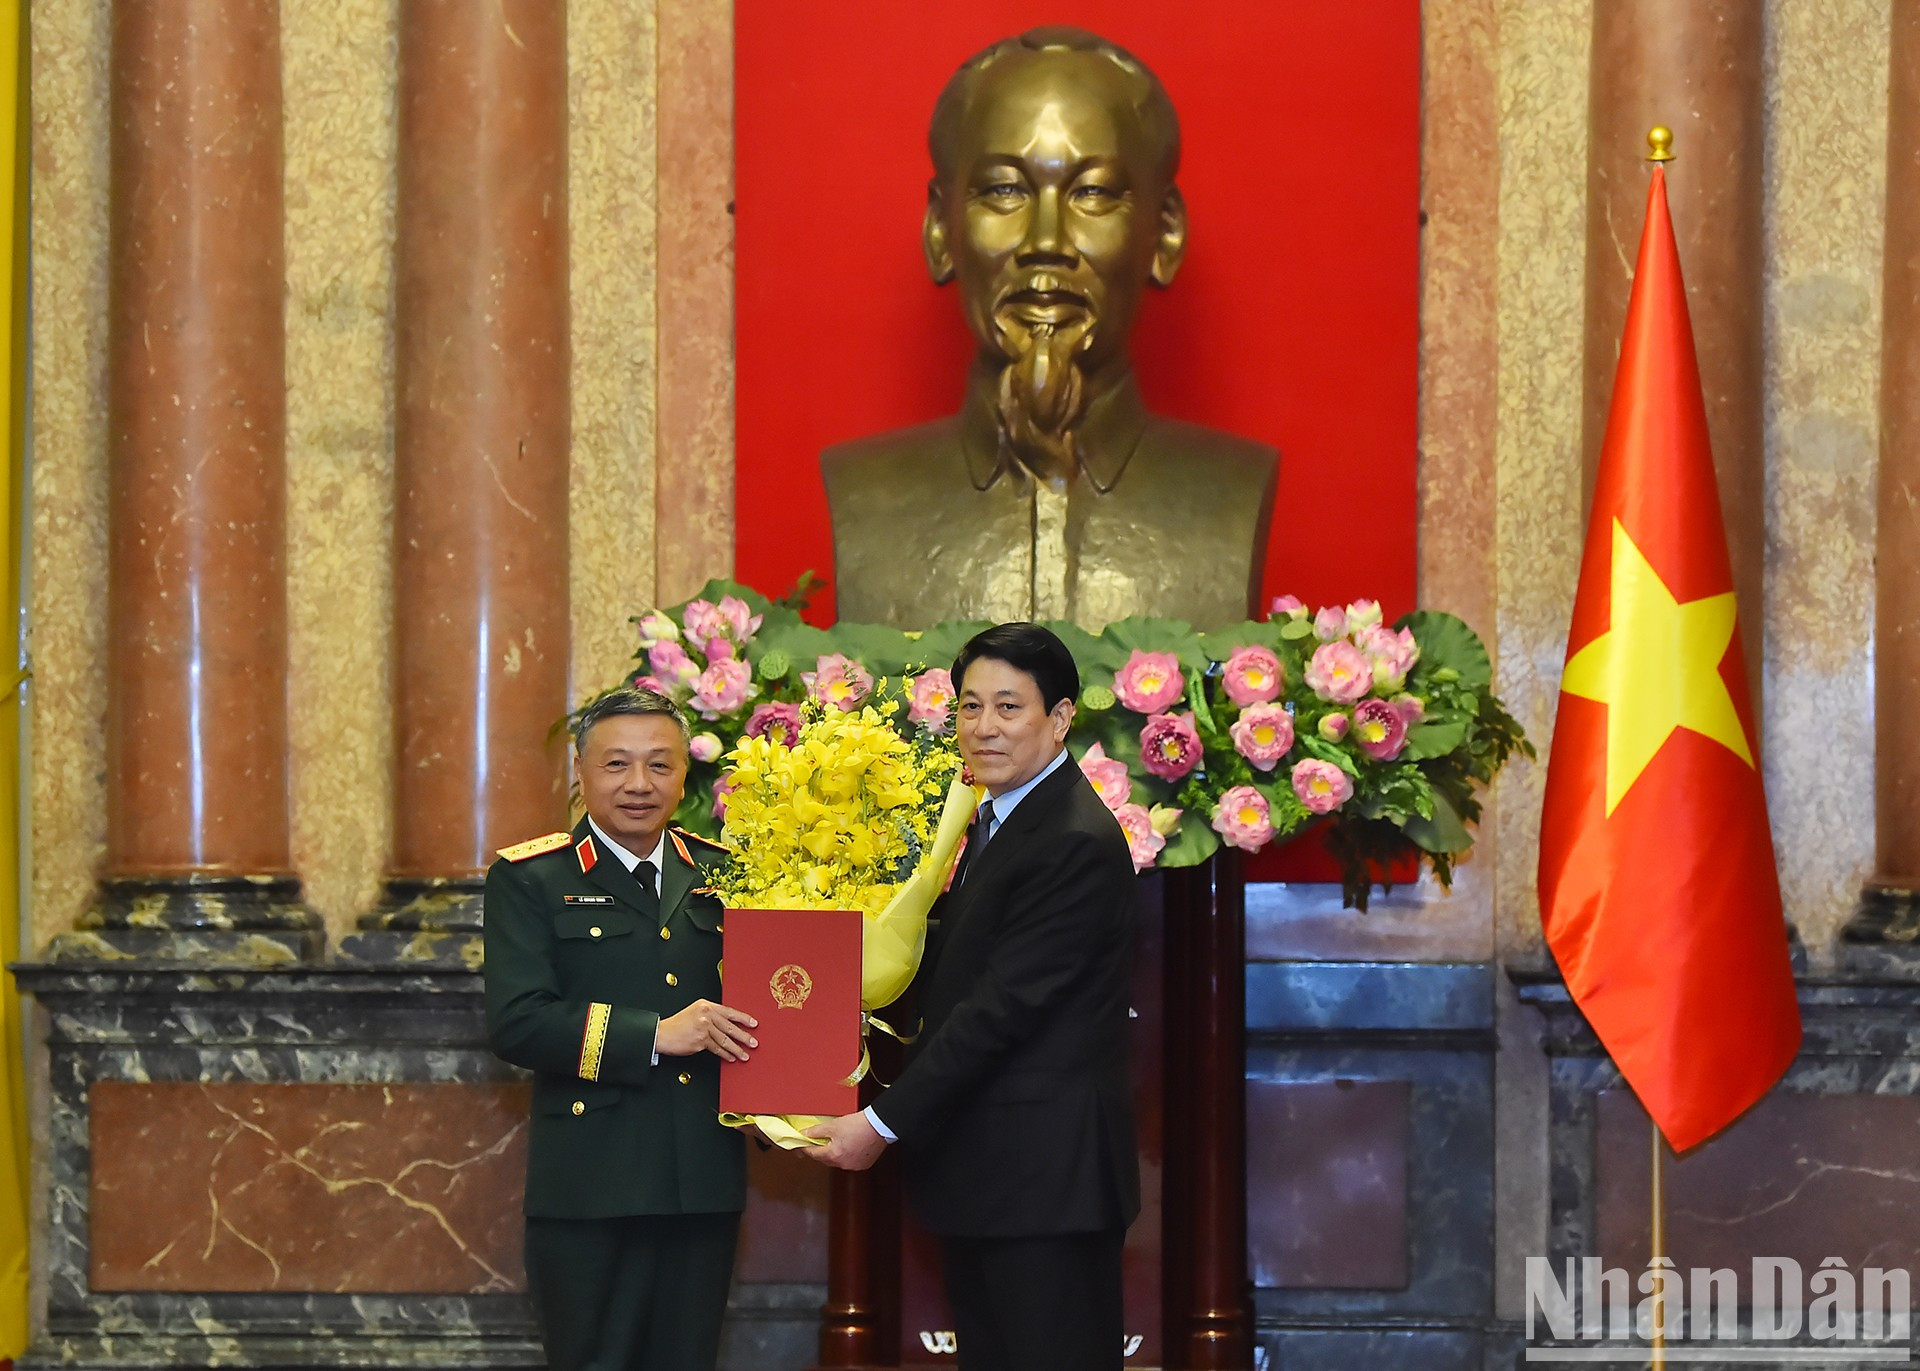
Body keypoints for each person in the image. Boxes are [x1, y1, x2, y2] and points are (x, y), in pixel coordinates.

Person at [822, 27, 1276, 630]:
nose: (1045, 243)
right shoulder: (867, 495)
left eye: (1092, 194)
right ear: (940, 230)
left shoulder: (1231, 493)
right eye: (1005, 190)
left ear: (1164, 234)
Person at [804, 623, 1140, 1371]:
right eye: (970, 706)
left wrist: (880, 1123)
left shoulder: (1072, 840)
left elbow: (999, 1011)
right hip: (998, 1174)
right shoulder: (990, 819)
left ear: (1059, 719)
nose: (984, 726)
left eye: (1009, 707)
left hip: (1046, 1181)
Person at [483, 686, 758, 1371]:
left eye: (660, 765)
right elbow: (518, 1020)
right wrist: (655, 1033)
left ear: (684, 776)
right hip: (590, 1184)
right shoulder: (532, 877)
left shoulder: (723, 873)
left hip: (701, 1178)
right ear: (580, 771)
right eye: (617, 764)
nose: (639, 784)